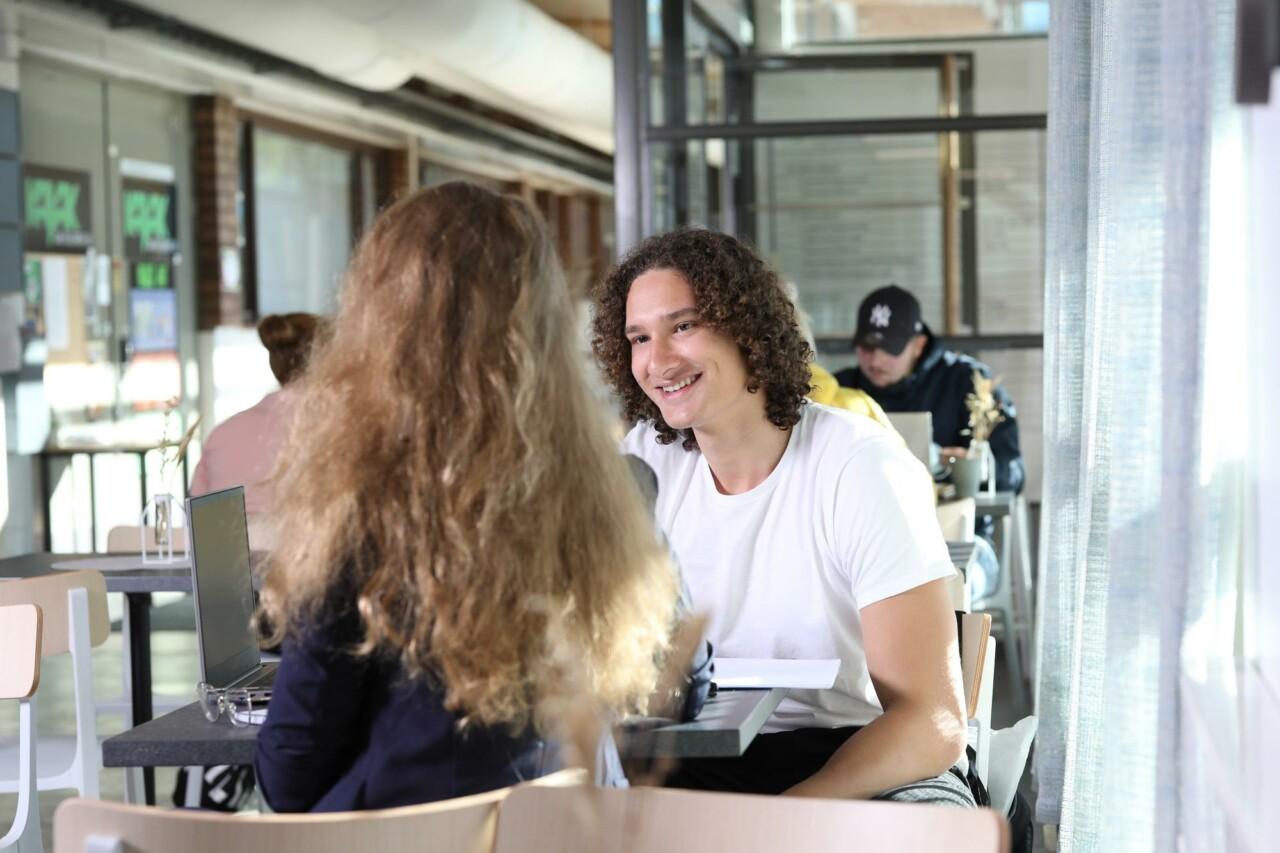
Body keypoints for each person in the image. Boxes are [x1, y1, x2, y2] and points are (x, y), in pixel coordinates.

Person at [254, 182, 679, 812]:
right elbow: (672, 685)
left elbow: (290, 775)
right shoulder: (612, 490)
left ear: (379, 319)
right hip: (575, 834)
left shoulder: (359, 515)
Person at [591, 228, 973, 804]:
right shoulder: (644, 464)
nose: (658, 360)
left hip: (866, 759)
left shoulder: (859, 465)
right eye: (639, 337)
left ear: (745, 328)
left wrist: (787, 820)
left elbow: (933, 720)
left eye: (683, 326)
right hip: (700, 765)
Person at [832, 284, 1024, 495]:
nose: (876, 360)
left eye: (890, 349)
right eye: (867, 347)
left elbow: (1014, 473)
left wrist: (976, 469)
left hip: (954, 522)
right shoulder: (838, 389)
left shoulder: (969, 384)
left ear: (918, 345)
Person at [190, 312, 323, 549]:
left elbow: (199, 529)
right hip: (307, 579)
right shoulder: (337, 434)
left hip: (226, 582)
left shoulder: (223, 435)